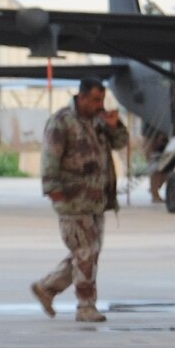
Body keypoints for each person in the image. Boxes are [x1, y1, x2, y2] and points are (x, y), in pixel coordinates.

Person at [31, 79, 126, 322]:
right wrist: (52, 188)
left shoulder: (98, 120)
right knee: (86, 252)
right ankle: (86, 306)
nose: (99, 105)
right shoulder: (62, 122)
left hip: (96, 200)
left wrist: (115, 126)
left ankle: (47, 287)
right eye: (95, 100)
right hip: (73, 200)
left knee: (89, 253)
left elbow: (120, 142)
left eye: (102, 100)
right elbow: (50, 157)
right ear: (81, 97)